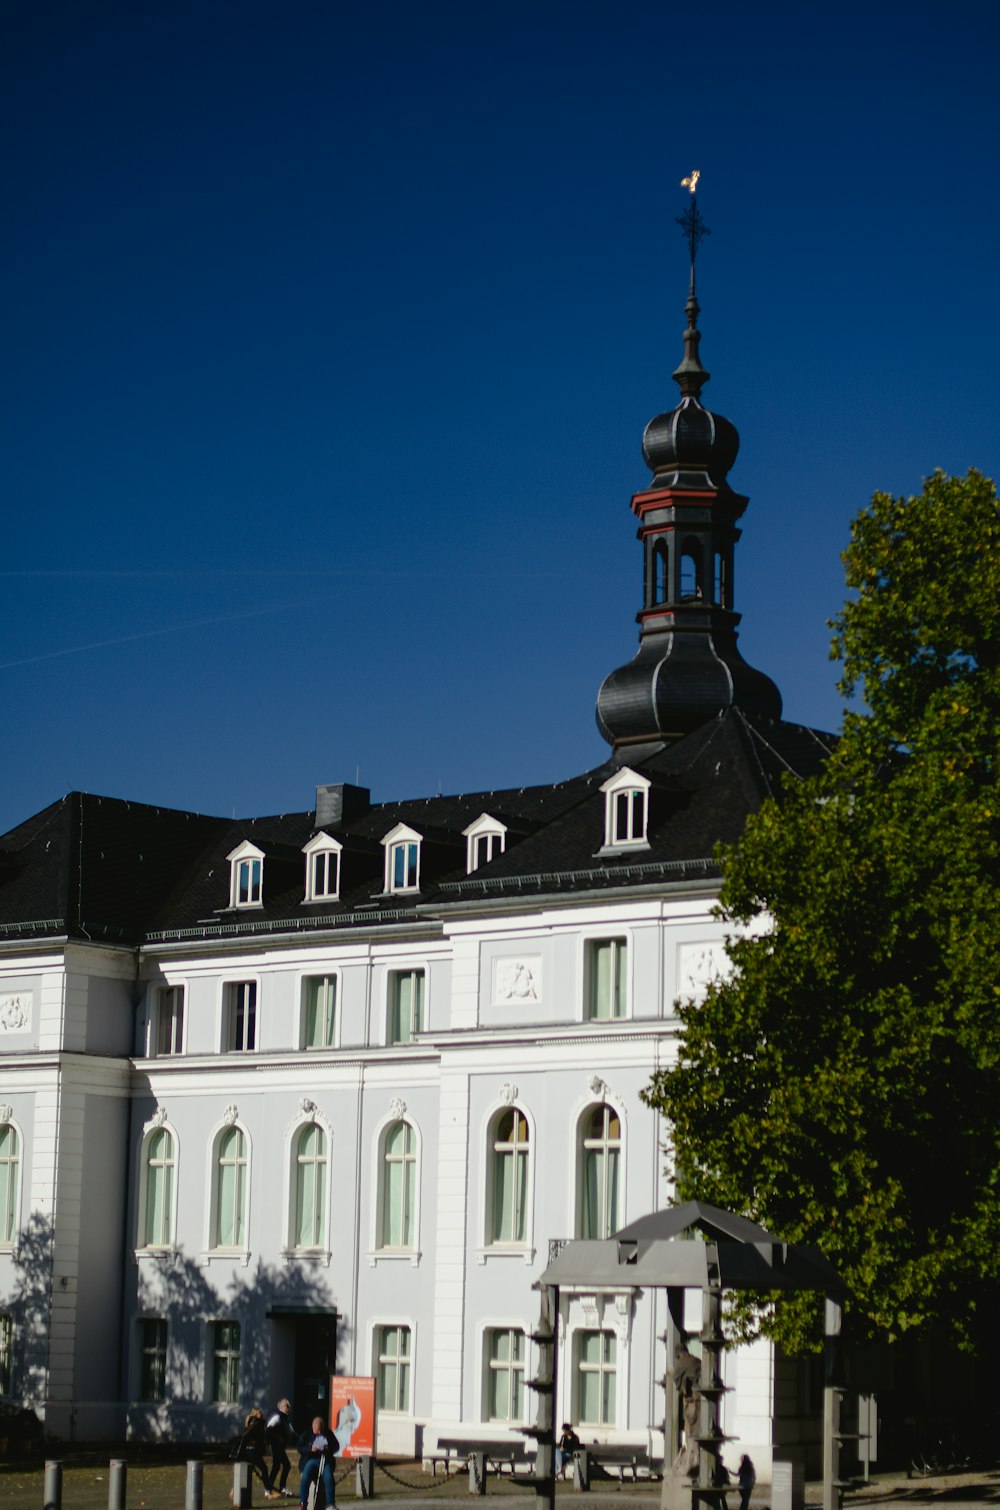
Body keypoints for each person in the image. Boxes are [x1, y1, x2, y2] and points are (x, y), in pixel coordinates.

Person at [298, 1416, 337, 1510]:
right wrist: (310, 1449)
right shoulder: (307, 1434)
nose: (319, 1433)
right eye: (317, 1431)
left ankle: (330, 1504)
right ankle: (303, 1502)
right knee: (305, 1477)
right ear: (313, 1427)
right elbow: (299, 1447)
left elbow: (336, 1446)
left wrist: (328, 1449)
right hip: (310, 1459)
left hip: (324, 1459)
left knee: (329, 1478)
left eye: (320, 1430)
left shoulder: (328, 1433)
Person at [233, 1407, 271, 1499]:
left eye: (261, 1412)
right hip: (252, 1450)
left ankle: (234, 1491)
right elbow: (247, 1434)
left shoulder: (255, 1422)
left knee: (244, 1471)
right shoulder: (255, 1423)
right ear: (255, 1414)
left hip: (250, 1450)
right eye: (259, 1413)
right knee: (263, 1469)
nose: (261, 1414)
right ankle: (268, 1490)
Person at [266, 1397, 296, 1498]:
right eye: (287, 1406)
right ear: (281, 1407)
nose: (288, 1408)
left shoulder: (285, 1419)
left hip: (280, 1447)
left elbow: (292, 1432)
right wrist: (278, 1438)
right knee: (283, 1465)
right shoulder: (277, 1416)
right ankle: (273, 1488)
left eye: (289, 1406)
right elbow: (269, 1428)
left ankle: (271, 1487)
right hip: (276, 1446)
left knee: (279, 1466)